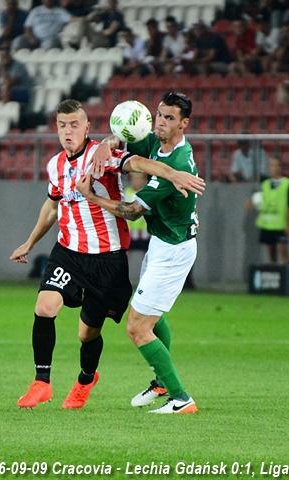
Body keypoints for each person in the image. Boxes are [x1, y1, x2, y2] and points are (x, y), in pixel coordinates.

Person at [10, 98, 204, 411]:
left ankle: (95, 380)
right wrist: (30, 242)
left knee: (100, 331)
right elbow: (53, 203)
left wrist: (171, 174)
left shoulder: (173, 162)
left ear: (87, 126)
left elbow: (134, 193)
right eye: (62, 125)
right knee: (45, 308)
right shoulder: (57, 164)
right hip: (70, 251)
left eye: (75, 125)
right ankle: (41, 382)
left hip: (127, 255)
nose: (159, 121)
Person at [75, 91, 201, 414]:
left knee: (137, 326)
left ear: (184, 124)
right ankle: (162, 383)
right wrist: (106, 143)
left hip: (174, 250)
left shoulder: (176, 164)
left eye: (169, 118)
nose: (160, 122)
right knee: (153, 317)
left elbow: (131, 212)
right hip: (162, 242)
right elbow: (125, 138)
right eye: (159, 114)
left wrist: (92, 196)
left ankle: (181, 399)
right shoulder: (156, 142)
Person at [254, 157, 289, 264]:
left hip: (281, 224)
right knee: (271, 253)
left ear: (280, 167)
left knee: (283, 252)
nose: (274, 168)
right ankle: (274, 272)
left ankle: (288, 272)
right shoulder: (265, 183)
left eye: (277, 165)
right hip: (268, 224)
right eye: (272, 165)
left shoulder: (286, 183)